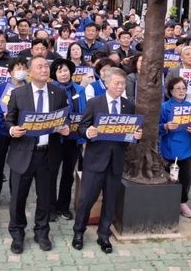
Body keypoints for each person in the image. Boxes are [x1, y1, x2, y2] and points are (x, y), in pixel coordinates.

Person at [72, 67, 142, 254]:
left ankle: (104, 235)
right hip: (95, 160)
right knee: (86, 199)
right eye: (116, 83)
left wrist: (136, 135)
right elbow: (81, 127)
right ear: (107, 83)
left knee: (110, 201)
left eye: (123, 84)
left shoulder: (128, 106)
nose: (120, 87)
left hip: (117, 160)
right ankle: (78, 232)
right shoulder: (95, 103)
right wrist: (88, 132)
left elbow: (131, 133)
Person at [4, 56, 70, 254]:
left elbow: (62, 118)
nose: (44, 69)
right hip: (22, 153)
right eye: (39, 66)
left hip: (48, 154)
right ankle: (17, 233)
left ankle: (42, 232)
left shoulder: (58, 93)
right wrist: (12, 130)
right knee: (18, 197)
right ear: (30, 72)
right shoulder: (18, 93)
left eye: (46, 66)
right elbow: (9, 120)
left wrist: (63, 128)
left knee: (45, 197)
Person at [0, 58, 29, 210]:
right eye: (18, 68)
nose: (21, 71)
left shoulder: (29, 88)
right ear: (10, 71)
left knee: (17, 165)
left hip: (20, 132)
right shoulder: (0, 88)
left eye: (24, 68)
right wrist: (1, 117)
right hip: (1, 131)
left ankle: (15, 196)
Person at [49, 58, 87, 221]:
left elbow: (84, 112)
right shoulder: (50, 89)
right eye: (59, 71)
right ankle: (49, 207)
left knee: (68, 174)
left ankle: (63, 206)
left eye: (65, 70)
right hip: (54, 139)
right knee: (50, 174)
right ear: (54, 74)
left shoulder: (79, 89)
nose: (63, 74)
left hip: (73, 139)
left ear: (71, 72)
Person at [159, 77, 191, 218]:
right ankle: (169, 203)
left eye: (184, 88)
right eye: (178, 88)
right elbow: (156, 128)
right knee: (171, 179)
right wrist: (165, 126)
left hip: (186, 149)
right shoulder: (165, 107)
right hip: (170, 148)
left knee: (186, 178)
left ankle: (183, 202)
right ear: (170, 91)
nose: (181, 91)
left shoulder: (190, 106)